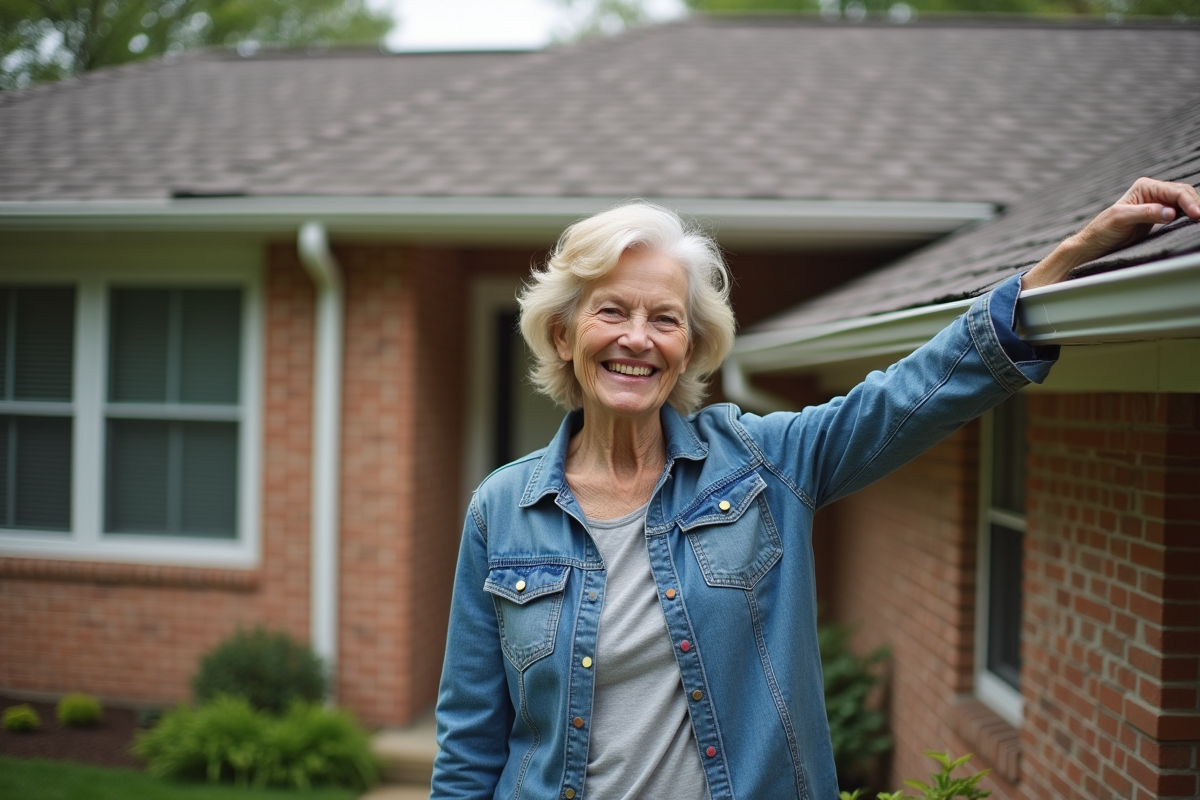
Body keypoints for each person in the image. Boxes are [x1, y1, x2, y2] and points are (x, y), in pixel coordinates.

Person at [431, 178, 1200, 800]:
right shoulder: (503, 510)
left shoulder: (761, 464)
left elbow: (906, 396)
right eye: (612, 311)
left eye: (665, 319)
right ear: (564, 335)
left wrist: (1066, 259)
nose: (638, 337)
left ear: (690, 348)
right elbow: (471, 737)